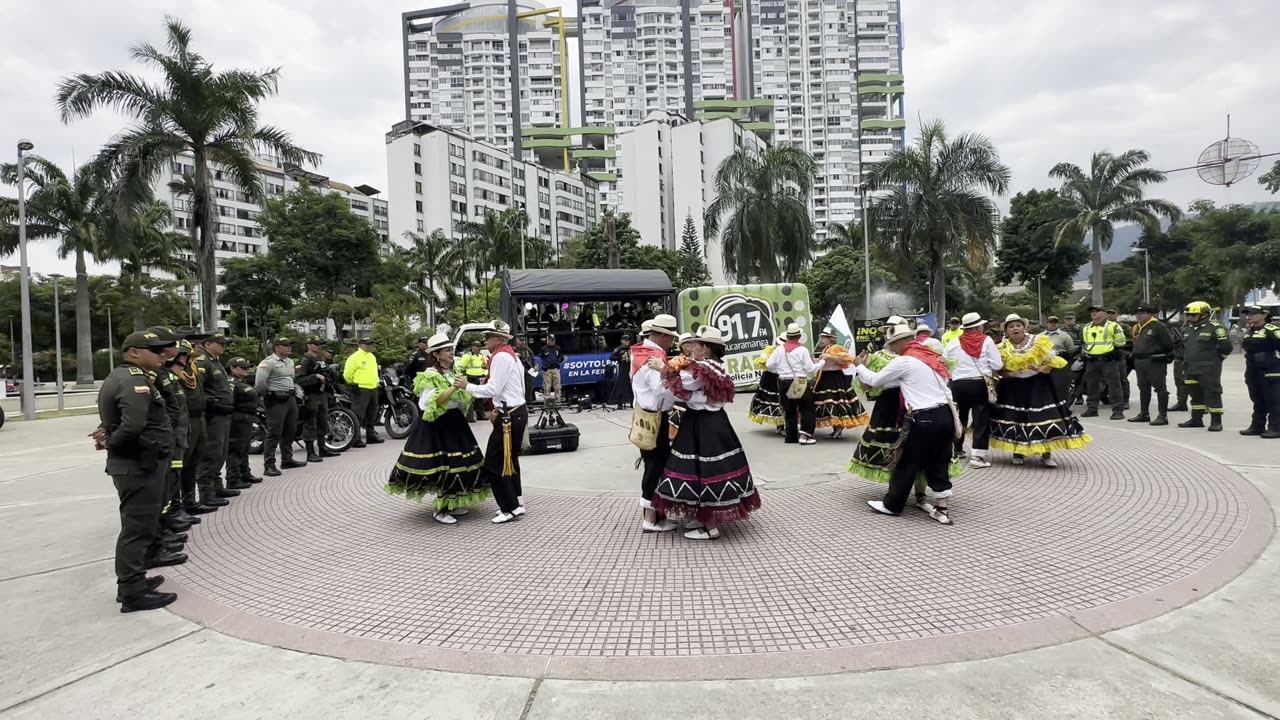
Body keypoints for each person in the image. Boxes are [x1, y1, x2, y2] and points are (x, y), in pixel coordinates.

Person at [95, 330, 182, 612]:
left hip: (139, 461)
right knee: (137, 528)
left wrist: (110, 436)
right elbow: (133, 425)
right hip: (138, 464)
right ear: (134, 352)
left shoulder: (128, 376)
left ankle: (136, 579)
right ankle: (131, 591)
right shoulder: (133, 380)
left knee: (140, 524)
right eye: (155, 350)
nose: (162, 355)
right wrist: (112, 443)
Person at [652, 326, 760, 540]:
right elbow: (709, 396)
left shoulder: (702, 369)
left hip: (703, 423)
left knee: (706, 470)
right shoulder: (717, 366)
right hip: (714, 421)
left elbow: (683, 386)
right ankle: (704, 517)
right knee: (703, 469)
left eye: (697, 344)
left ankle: (710, 527)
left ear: (706, 348)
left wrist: (663, 368)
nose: (693, 348)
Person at [851, 325, 956, 525]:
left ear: (900, 341)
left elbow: (875, 380)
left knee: (907, 462)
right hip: (945, 416)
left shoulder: (904, 360)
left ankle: (892, 505)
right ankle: (942, 509)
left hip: (923, 418)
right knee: (939, 461)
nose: (892, 349)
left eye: (892, 344)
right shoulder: (931, 358)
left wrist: (859, 366)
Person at [387, 333, 490, 523]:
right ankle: (441, 510)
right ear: (436, 354)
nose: (451, 353)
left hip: (454, 422)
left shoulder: (451, 372)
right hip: (437, 426)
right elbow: (430, 402)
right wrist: (454, 388)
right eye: (447, 350)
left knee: (458, 464)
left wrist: (464, 392)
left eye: (451, 349)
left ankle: (452, 504)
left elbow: (459, 398)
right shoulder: (430, 374)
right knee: (444, 466)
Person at [990, 315, 1091, 467]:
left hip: (1038, 385)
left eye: (1018, 325)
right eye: (1011, 327)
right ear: (1006, 331)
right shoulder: (1001, 347)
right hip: (1013, 387)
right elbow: (998, 369)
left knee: (1044, 417)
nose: (1015, 328)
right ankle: (1018, 453)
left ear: (1024, 327)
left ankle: (1046, 454)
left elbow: (1051, 363)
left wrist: (1040, 368)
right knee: (1016, 418)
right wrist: (1009, 373)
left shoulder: (1038, 342)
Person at [464, 321, 528, 524]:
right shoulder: (511, 355)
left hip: (509, 415)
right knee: (510, 460)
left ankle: (509, 508)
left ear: (499, 339)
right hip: (514, 411)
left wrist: (467, 386)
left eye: (488, 336)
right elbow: (516, 387)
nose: (485, 340)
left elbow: (493, 389)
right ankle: (516, 502)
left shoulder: (500, 357)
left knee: (494, 463)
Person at [630, 314, 681, 532]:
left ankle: (656, 514)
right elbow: (661, 390)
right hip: (655, 416)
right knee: (656, 466)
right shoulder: (653, 357)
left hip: (646, 414)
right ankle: (650, 518)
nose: (673, 342)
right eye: (671, 337)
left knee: (654, 464)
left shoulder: (640, 352)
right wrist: (674, 377)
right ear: (662, 336)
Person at [144, 328, 192, 541]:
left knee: (173, 477)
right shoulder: (154, 374)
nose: (176, 347)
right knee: (166, 481)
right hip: (165, 436)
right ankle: (164, 525)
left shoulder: (166, 373)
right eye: (173, 343)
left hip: (176, 434)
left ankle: (170, 517)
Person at [944, 312, 1003, 469]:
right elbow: (997, 365)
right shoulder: (987, 341)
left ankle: (956, 450)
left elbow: (944, 363)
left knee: (959, 418)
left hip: (957, 384)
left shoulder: (953, 342)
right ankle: (978, 456)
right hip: (979, 384)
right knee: (980, 419)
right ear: (978, 327)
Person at [172, 328, 217, 514]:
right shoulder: (173, 370)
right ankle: (178, 506)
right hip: (186, 420)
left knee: (194, 461)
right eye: (196, 343)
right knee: (182, 463)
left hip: (199, 418)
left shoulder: (192, 367)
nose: (200, 346)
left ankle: (190, 501)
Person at [1177, 301, 1233, 431]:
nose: (1190, 317)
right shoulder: (1188, 329)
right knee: (1195, 394)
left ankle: (1216, 421)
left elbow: (1226, 347)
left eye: (1193, 315)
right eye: (1188, 315)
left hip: (1208, 369)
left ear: (1205, 314)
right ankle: (1196, 419)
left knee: (1212, 393)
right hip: (1190, 368)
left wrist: (1217, 360)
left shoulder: (1215, 328)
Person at [195, 333, 237, 503]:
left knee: (221, 452)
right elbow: (198, 389)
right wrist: (212, 404)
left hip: (224, 413)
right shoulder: (202, 362)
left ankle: (217, 487)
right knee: (211, 452)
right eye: (219, 343)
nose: (223, 346)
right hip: (214, 415)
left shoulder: (216, 362)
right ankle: (206, 493)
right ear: (207, 344)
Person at [257, 337, 306, 474]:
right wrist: (268, 396)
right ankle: (269, 464)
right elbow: (260, 383)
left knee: (290, 430)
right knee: (274, 432)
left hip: (290, 398)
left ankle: (287, 459)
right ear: (276, 348)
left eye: (290, 345)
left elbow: (291, 379)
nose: (289, 348)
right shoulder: (268, 362)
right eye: (285, 345)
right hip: (276, 400)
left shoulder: (290, 362)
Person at [768, 323, 821, 445]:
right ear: (799, 336)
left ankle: (791, 436)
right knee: (806, 408)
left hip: (783, 381)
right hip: (799, 381)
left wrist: (780, 371)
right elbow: (810, 369)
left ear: (787, 336)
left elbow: (769, 365)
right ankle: (805, 435)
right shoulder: (802, 350)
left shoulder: (779, 350)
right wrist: (822, 363)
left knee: (789, 410)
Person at [812, 327, 866, 438]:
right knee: (829, 403)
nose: (821, 340)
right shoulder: (827, 349)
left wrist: (829, 357)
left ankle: (838, 428)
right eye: (821, 337)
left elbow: (847, 358)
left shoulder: (835, 348)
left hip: (834, 378)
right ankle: (836, 428)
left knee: (835, 402)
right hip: (826, 378)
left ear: (831, 339)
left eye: (824, 337)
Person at [1127, 304, 1176, 426]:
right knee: (1143, 387)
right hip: (1140, 361)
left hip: (1154, 361)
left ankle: (1162, 416)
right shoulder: (1137, 327)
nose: (1139, 316)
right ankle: (1144, 414)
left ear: (1150, 314)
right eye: (1137, 314)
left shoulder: (1158, 326)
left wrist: (1160, 354)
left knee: (1160, 388)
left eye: (1142, 313)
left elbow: (1169, 344)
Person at [1239, 305, 1280, 438]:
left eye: (1253, 313)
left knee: (1273, 400)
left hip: (1270, 370)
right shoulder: (1250, 330)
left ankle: (1276, 428)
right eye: (1247, 313)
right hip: (1253, 369)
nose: (1249, 316)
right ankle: (1257, 426)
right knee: (1258, 398)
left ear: (1264, 315)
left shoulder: (1272, 330)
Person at [1081, 305, 1127, 420]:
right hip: (1092, 360)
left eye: (1097, 311)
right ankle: (1092, 409)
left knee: (1114, 385)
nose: (1094, 313)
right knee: (1091, 385)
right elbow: (1086, 343)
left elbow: (1121, 342)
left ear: (1104, 313)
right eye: (1092, 311)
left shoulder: (1113, 326)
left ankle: (1117, 411)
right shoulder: (1087, 327)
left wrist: (1114, 354)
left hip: (1108, 360)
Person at [298, 338, 339, 460]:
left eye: (320, 344)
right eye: (316, 344)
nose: (319, 346)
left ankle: (322, 448)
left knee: (323, 422)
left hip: (323, 394)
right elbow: (299, 379)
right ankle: (310, 452)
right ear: (309, 345)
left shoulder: (321, 359)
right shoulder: (305, 360)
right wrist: (315, 376)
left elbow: (327, 374)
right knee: (310, 423)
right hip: (311, 395)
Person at [226, 357, 262, 489]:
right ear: (232, 368)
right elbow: (230, 400)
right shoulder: (231, 382)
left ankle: (245, 473)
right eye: (243, 367)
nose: (246, 370)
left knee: (244, 448)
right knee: (235, 448)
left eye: (247, 367)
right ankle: (233, 478)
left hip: (247, 417)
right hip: (237, 418)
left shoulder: (242, 381)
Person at [344, 337, 384, 446]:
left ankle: (370, 435)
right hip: (361, 388)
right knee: (358, 414)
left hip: (373, 387)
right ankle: (355, 438)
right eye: (367, 344)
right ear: (360, 345)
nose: (369, 346)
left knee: (372, 413)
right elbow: (347, 374)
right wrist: (353, 384)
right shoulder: (354, 357)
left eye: (370, 344)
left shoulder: (372, 357)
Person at [747, 336, 785, 433]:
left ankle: (781, 425)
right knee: (775, 401)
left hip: (779, 377)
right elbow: (764, 363)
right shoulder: (770, 350)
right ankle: (780, 425)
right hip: (770, 378)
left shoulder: (788, 351)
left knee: (781, 401)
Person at [1043, 316, 1077, 402]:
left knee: (1060, 385)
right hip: (1044, 363)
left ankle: (1063, 404)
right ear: (1046, 324)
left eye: (1055, 322)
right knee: (1046, 385)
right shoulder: (1040, 336)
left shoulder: (1064, 336)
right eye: (1051, 322)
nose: (1053, 324)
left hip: (1060, 362)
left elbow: (1071, 350)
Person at [457, 341, 489, 421]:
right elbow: (460, 368)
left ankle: (480, 415)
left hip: (479, 377)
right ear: (472, 347)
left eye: (480, 347)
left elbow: (483, 365)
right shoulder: (467, 356)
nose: (479, 348)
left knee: (479, 397)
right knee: (470, 398)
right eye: (477, 346)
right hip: (470, 377)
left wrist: (486, 367)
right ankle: (469, 417)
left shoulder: (480, 356)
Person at [608, 336, 634, 408]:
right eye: (625, 340)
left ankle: (632, 403)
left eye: (628, 340)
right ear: (622, 341)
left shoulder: (631, 348)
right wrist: (621, 357)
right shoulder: (619, 349)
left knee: (632, 386)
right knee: (621, 386)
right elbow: (611, 357)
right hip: (623, 368)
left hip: (631, 368)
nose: (627, 342)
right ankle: (620, 404)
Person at [538, 334, 565, 404]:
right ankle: (547, 403)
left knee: (557, 386)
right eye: (551, 340)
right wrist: (545, 366)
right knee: (547, 387)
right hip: (547, 370)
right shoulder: (544, 349)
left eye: (553, 340)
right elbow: (541, 358)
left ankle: (557, 401)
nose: (552, 341)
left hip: (555, 369)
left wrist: (558, 362)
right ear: (548, 340)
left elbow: (561, 357)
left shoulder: (557, 348)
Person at [1170, 319, 1190, 412]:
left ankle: (1202, 404)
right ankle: (1181, 403)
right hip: (1180, 358)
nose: (1189, 317)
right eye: (1188, 315)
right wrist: (1175, 341)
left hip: (1193, 359)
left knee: (1198, 383)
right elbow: (1172, 344)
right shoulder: (1182, 329)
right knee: (1179, 381)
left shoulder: (1200, 329)